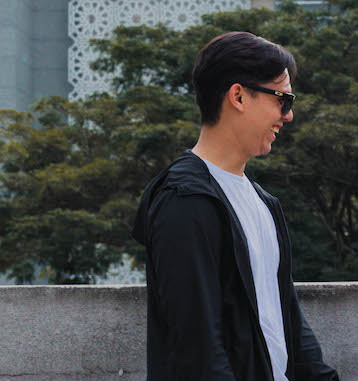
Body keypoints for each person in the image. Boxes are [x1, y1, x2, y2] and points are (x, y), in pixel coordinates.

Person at [132, 32, 339, 381]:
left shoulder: (264, 203)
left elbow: (288, 318)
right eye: (282, 99)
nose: (287, 116)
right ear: (239, 96)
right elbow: (197, 346)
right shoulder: (184, 200)